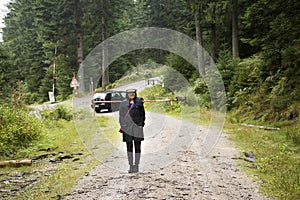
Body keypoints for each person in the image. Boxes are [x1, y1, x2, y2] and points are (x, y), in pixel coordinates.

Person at [119, 88, 145, 173]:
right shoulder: (123, 103)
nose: (131, 94)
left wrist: (141, 124)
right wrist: (123, 125)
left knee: (138, 147)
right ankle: (131, 165)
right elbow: (121, 116)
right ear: (127, 94)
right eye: (130, 93)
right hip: (127, 129)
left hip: (137, 128)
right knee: (129, 148)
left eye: (133, 93)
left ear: (135, 93)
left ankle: (136, 165)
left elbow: (143, 114)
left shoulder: (139, 102)